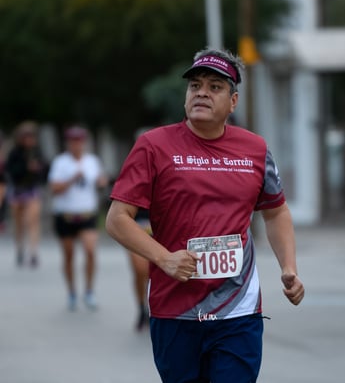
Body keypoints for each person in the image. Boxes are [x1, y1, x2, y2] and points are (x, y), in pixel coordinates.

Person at [106, 48, 305, 383]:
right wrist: (165, 258)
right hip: (176, 310)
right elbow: (117, 219)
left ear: (234, 101)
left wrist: (289, 268)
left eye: (215, 87)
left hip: (238, 310)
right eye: (195, 85)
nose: (201, 92)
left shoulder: (255, 149)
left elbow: (276, 211)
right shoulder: (154, 146)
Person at [48, 126, 108, 311]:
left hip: (87, 214)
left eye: (80, 141)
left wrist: (101, 182)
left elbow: (102, 181)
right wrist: (73, 178)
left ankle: (89, 291)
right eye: (73, 141)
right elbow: (54, 189)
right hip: (65, 214)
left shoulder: (92, 161)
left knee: (90, 251)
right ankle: (72, 292)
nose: (77, 145)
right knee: (69, 255)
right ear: (68, 143)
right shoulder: (61, 162)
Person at [5, 121, 47, 266]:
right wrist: (26, 167)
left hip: (32, 189)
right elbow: (10, 171)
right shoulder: (15, 152)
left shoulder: (37, 151)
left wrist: (38, 170)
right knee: (19, 223)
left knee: (32, 220)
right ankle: (19, 247)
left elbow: (45, 169)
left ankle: (33, 251)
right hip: (17, 189)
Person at [128, 208, 151, 331]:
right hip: (138, 225)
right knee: (140, 270)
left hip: (161, 226)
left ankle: (152, 308)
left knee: (154, 273)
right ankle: (141, 308)